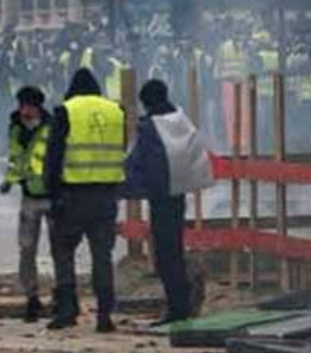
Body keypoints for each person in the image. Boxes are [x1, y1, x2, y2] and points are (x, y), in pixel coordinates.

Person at [44, 68, 126, 333]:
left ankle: (68, 310)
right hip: (106, 195)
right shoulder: (117, 111)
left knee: (63, 252)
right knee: (102, 255)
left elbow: (53, 157)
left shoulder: (65, 110)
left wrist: (51, 194)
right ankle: (104, 315)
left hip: (73, 194)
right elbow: (121, 149)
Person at [124, 79, 213, 325]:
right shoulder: (181, 120)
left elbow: (138, 162)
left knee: (165, 255)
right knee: (174, 248)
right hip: (178, 192)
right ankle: (181, 304)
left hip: (160, 196)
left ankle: (177, 308)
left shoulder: (150, 127)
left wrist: (125, 186)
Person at [0, 85, 52, 323]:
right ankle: (31, 297)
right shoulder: (16, 128)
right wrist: (9, 181)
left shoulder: (52, 126)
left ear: (37, 106)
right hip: (29, 196)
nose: (23, 110)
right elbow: (15, 157)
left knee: (59, 249)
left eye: (27, 105)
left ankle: (62, 296)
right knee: (27, 248)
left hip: (52, 196)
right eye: (21, 105)